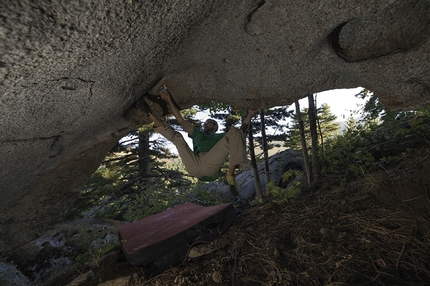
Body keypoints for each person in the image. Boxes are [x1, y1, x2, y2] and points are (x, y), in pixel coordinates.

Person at [137, 86, 258, 202]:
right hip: (193, 165)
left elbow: (241, 131)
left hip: (209, 164)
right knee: (178, 138)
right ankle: (148, 112)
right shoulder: (197, 134)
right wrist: (168, 99)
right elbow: (181, 120)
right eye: (205, 122)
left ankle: (230, 175)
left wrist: (250, 115)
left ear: (215, 127)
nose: (205, 124)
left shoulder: (220, 137)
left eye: (208, 122)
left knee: (236, 132)